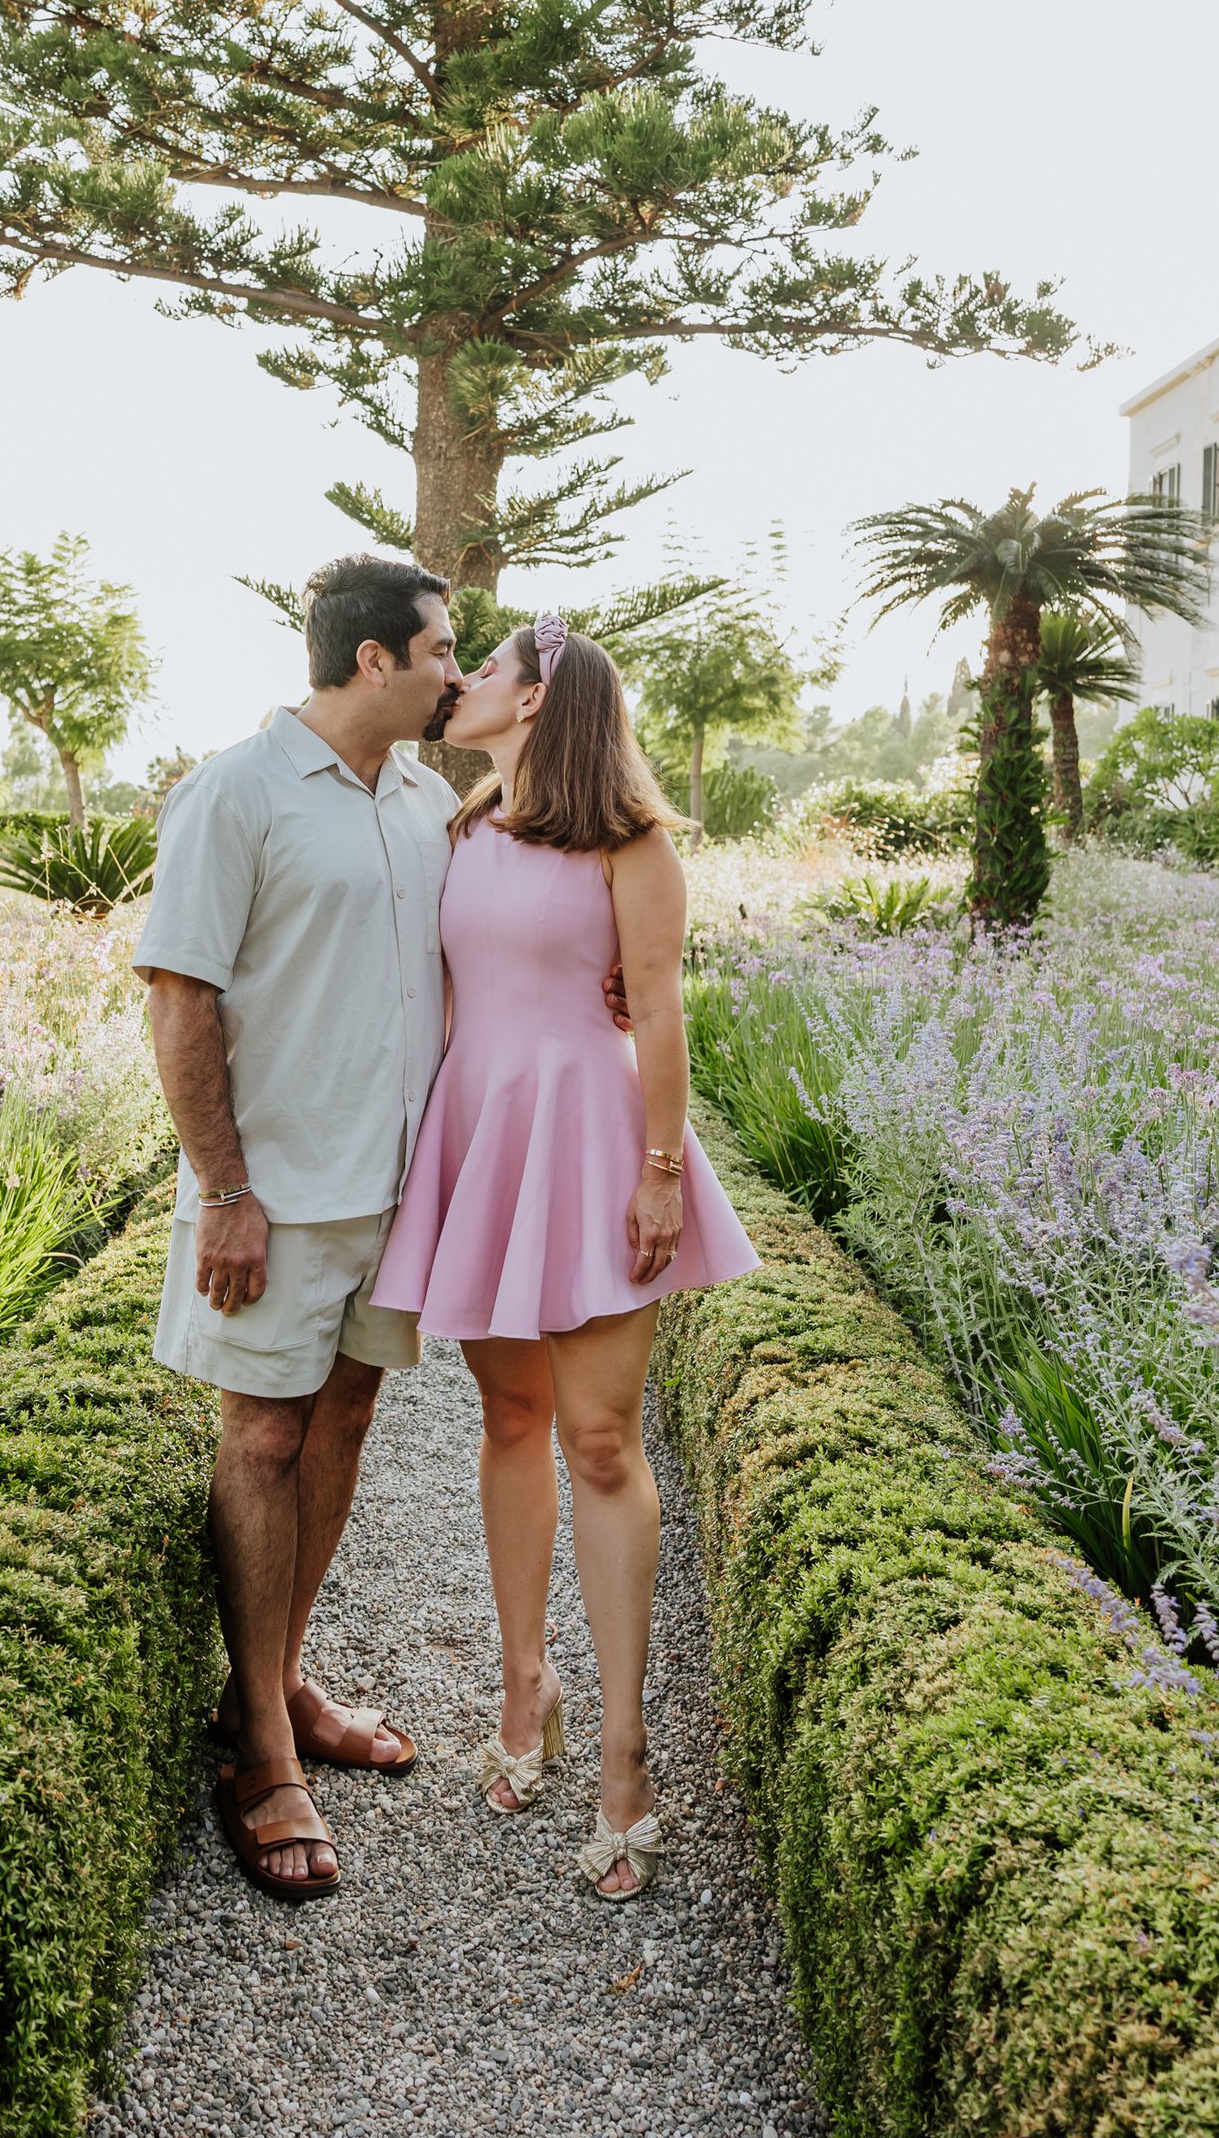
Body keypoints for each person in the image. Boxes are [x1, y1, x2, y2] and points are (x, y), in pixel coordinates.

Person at [372, 612, 759, 1901]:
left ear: (539, 701)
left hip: (594, 1144)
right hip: (483, 1131)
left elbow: (656, 1009)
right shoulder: (461, 826)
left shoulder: (631, 841)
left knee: (600, 1440)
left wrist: (661, 1171)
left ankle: (625, 1743)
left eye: (488, 670)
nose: (465, 681)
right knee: (510, 1415)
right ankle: (523, 1675)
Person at [135, 554, 466, 1899]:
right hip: (275, 1196)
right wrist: (224, 1189)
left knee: (344, 1422)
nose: (457, 669)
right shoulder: (236, 792)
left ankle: (269, 1687)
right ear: (374, 658)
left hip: (396, 1188)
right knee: (263, 1435)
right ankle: (263, 1753)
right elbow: (178, 998)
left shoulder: (426, 803)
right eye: (443, 648)